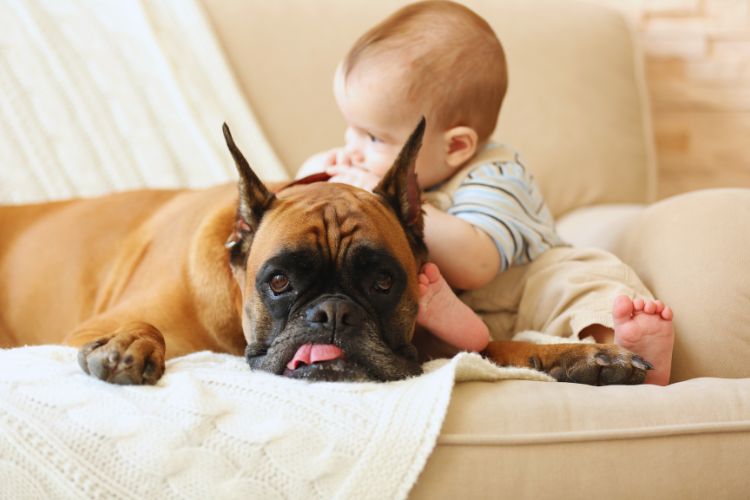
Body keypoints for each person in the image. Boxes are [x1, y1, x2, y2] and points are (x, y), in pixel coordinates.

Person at [296, 0, 674, 384]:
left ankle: (625, 349)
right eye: (350, 128)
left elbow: (477, 265)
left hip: (525, 287)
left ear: (456, 146)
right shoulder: (375, 165)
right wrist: (317, 179)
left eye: (374, 137)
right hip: (462, 314)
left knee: (584, 282)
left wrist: (389, 201)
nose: (353, 147)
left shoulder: (496, 172)